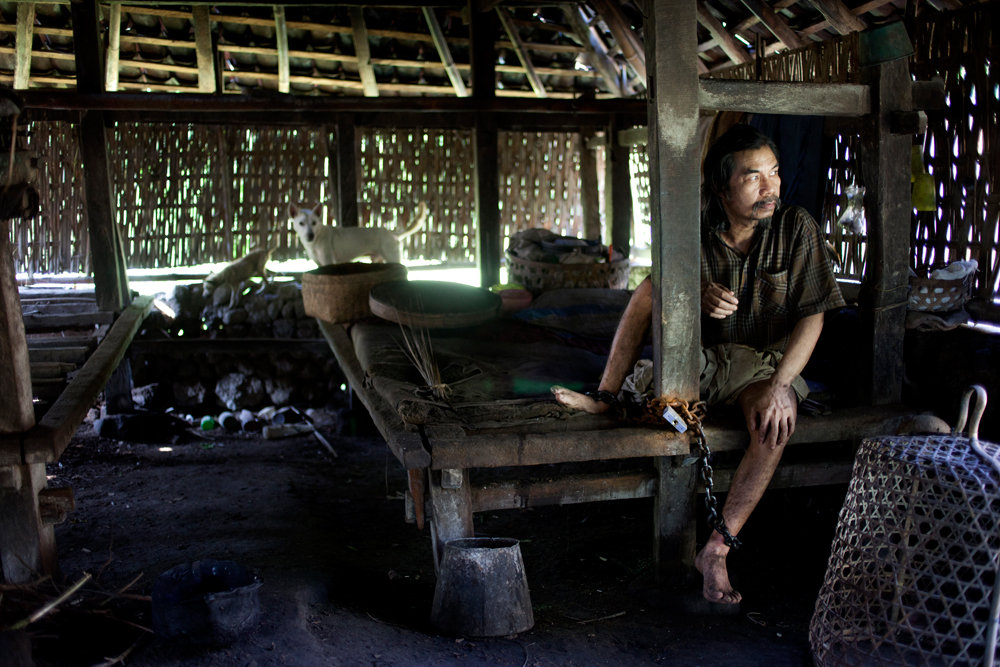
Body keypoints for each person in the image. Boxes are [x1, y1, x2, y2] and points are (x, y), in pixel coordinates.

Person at [552, 124, 845, 604]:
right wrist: (690, 295)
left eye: (773, 172)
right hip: (700, 366)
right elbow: (655, 299)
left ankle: (716, 549)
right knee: (654, 293)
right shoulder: (692, 229)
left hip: (763, 369)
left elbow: (813, 316)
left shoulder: (797, 228)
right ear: (722, 186)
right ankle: (605, 397)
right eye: (753, 177)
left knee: (775, 421)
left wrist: (782, 385)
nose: (770, 186)